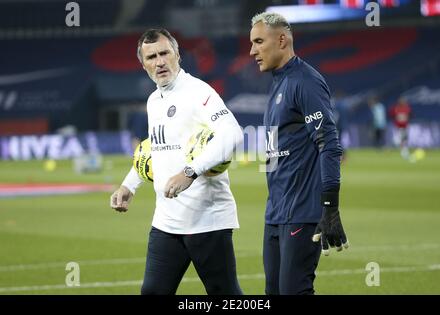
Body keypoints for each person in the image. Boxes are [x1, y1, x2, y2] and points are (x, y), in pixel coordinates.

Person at [110, 28, 244, 295]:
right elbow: (154, 150)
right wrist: (128, 185)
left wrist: (190, 172)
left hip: (206, 219)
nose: (159, 62)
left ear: (177, 55)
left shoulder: (198, 92)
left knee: (225, 295)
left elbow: (233, 133)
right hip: (167, 222)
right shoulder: (153, 101)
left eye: (164, 53)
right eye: (151, 57)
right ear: (143, 64)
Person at [249, 12, 349, 295]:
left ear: (282, 40)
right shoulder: (278, 82)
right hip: (276, 212)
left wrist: (330, 207)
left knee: (294, 291)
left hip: (302, 212)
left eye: (258, 41)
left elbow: (328, 143)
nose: (252, 50)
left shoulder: (305, 81)